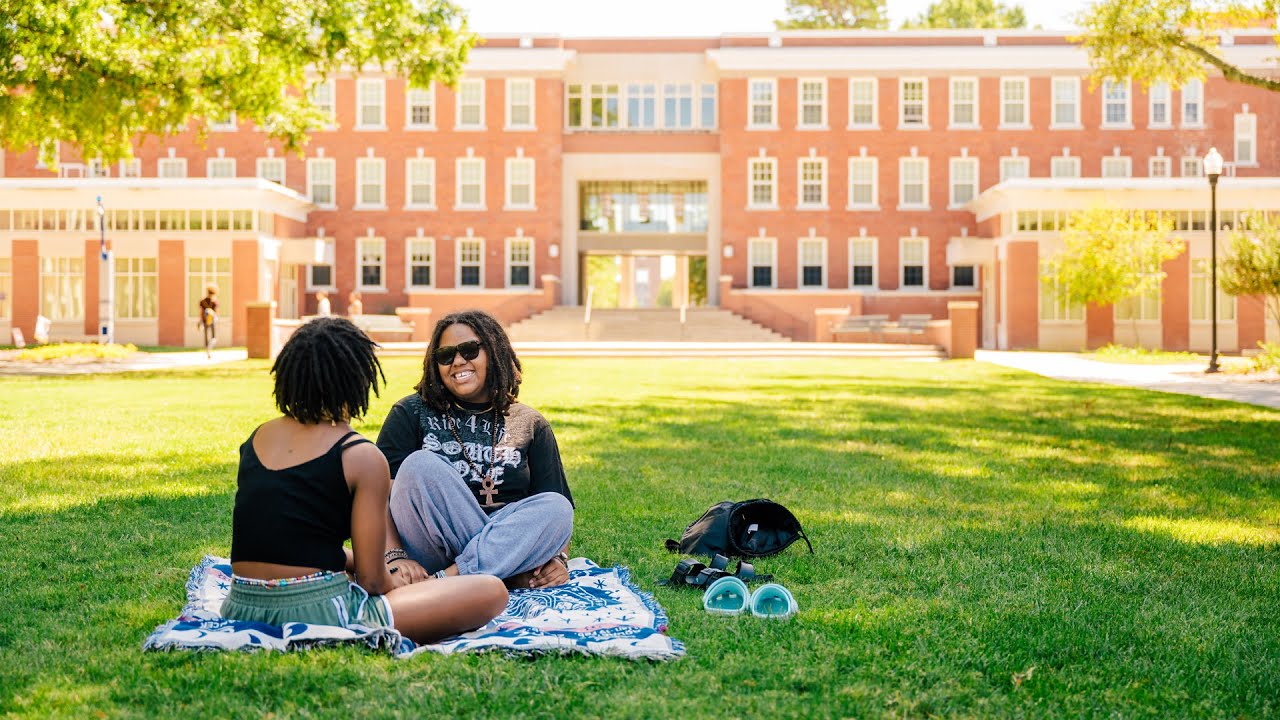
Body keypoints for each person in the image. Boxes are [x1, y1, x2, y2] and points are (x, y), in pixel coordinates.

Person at [220, 317, 508, 644]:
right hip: (322, 612)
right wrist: (397, 580)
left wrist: (352, 562)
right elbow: (373, 582)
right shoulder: (360, 456)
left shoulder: (258, 438)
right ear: (358, 380)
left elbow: (287, 540)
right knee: (491, 591)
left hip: (241, 604)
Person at [376, 309, 574, 590]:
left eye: (469, 350)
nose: (457, 361)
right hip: (432, 548)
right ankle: (501, 574)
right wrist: (394, 558)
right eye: (446, 355)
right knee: (419, 465)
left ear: (494, 352)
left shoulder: (530, 423)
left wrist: (559, 559)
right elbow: (377, 496)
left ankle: (450, 579)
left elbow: (552, 509)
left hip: (501, 542)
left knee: (558, 507)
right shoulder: (410, 412)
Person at [197, 284, 218, 358]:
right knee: (213, 337)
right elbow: (215, 313)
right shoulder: (214, 302)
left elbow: (200, 312)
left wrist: (200, 321)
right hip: (212, 321)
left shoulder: (202, 301)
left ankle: (207, 349)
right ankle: (209, 348)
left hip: (205, 320)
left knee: (206, 336)